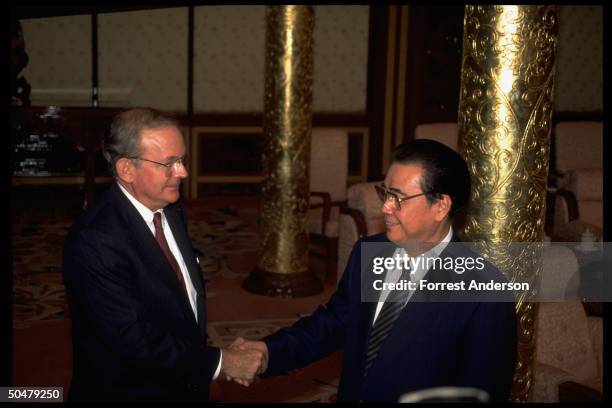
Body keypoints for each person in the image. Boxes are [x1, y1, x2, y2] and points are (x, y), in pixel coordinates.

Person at [230, 139, 517, 402]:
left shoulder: (485, 293)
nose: (386, 207)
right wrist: (269, 352)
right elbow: (333, 324)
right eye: (385, 193)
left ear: (440, 206)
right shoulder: (369, 252)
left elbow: (480, 394)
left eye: (399, 198)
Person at [62, 108, 263, 402]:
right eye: (168, 163)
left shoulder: (168, 204)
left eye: (181, 160)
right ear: (126, 169)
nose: (181, 172)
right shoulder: (94, 241)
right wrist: (222, 362)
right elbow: (133, 340)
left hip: (183, 379)